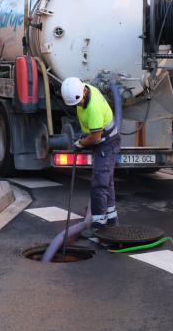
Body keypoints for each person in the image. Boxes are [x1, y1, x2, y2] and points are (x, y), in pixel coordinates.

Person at [61, 77, 120, 235]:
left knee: (99, 183)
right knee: (106, 181)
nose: (78, 106)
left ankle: (99, 225)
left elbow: (95, 137)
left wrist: (81, 144)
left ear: (84, 92)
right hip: (104, 141)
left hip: (106, 143)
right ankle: (112, 219)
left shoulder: (92, 107)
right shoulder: (82, 90)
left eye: (78, 103)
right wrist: (84, 137)